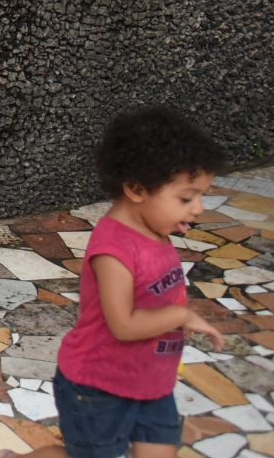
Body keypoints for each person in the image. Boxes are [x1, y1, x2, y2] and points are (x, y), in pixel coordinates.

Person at [20, 106, 227, 458]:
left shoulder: (153, 229)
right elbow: (124, 325)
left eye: (201, 196)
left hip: (151, 383)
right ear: (136, 188)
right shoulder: (114, 251)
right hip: (98, 389)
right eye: (186, 198)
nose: (199, 208)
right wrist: (180, 316)